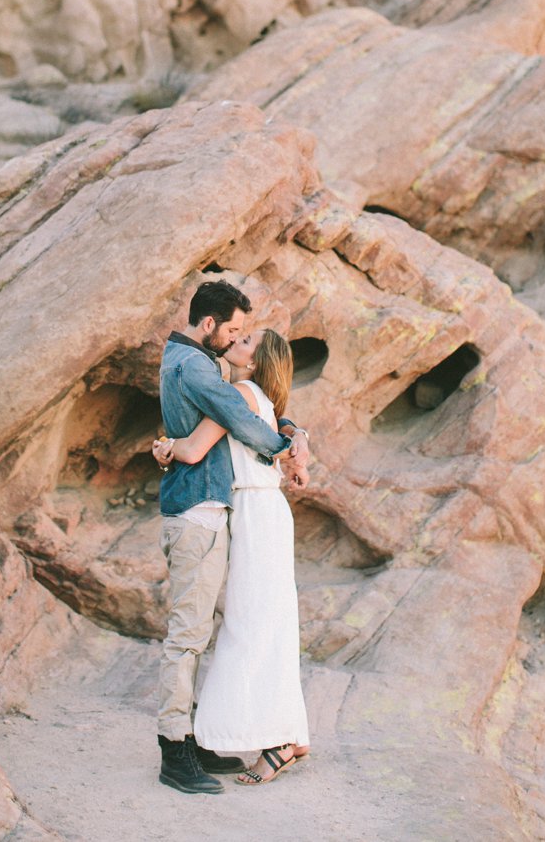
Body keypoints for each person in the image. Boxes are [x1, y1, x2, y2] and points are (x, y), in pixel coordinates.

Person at [155, 281, 310, 795]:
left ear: (256, 361)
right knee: (246, 624)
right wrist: (292, 443)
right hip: (236, 512)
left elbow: (202, 445)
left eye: (245, 340)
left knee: (241, 625)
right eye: (236, 333)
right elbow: (245, 421)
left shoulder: (232, 385)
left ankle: (196, 744)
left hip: (242, 511)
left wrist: (165, 446)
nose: (236, 342)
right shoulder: (206, 371)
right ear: (210, 325)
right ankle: (194, 744)